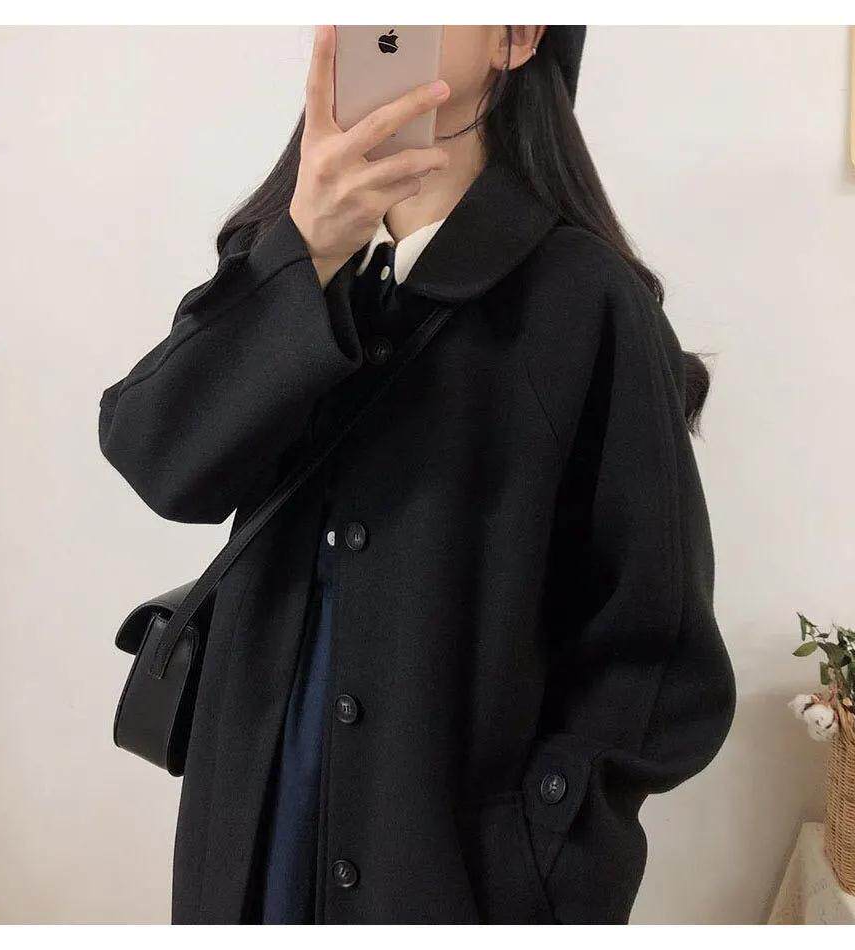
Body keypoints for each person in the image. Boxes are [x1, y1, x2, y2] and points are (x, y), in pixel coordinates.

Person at [99, 25, 735, 924]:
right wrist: (302, 253)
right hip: (250, 834)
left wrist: (543, 856)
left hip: (445, 869)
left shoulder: (584, 301)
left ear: (519, 37)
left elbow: (657, 652)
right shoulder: (285, 264)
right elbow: (158, 460)